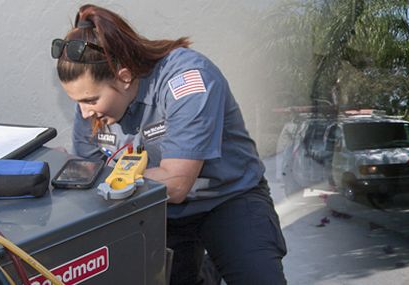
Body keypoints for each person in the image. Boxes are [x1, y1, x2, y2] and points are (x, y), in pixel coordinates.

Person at [54, 5, 286, 284]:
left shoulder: (187, 80)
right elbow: (91, 175)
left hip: (226, 198)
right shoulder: (92, 107)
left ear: (124, 77)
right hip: (158, 210)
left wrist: (100, 178)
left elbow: (176, 184)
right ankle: (205, 272)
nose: (84, 113)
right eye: (77, 102)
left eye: (90, 100)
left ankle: (217, 259)